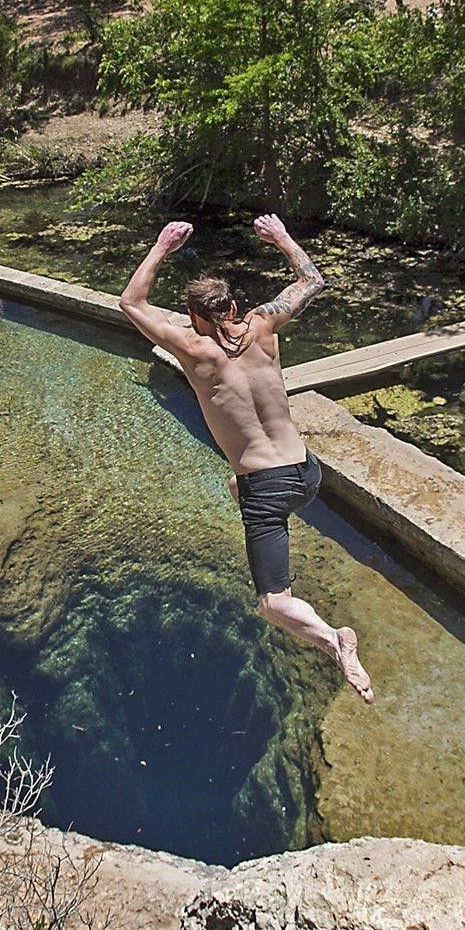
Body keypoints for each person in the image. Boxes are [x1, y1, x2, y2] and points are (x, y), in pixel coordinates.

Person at [119, 214, 372, 703]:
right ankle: (245, 493)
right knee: (239, 486)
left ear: (193, 317)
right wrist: (281, 237)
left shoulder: (193, 350)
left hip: (268, 488)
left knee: (273, 603)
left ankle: (333, 640)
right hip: (306, 472)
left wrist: (161, 246)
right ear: (234, 306)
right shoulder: (263, 324)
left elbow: (131, 303)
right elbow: (312, 280)